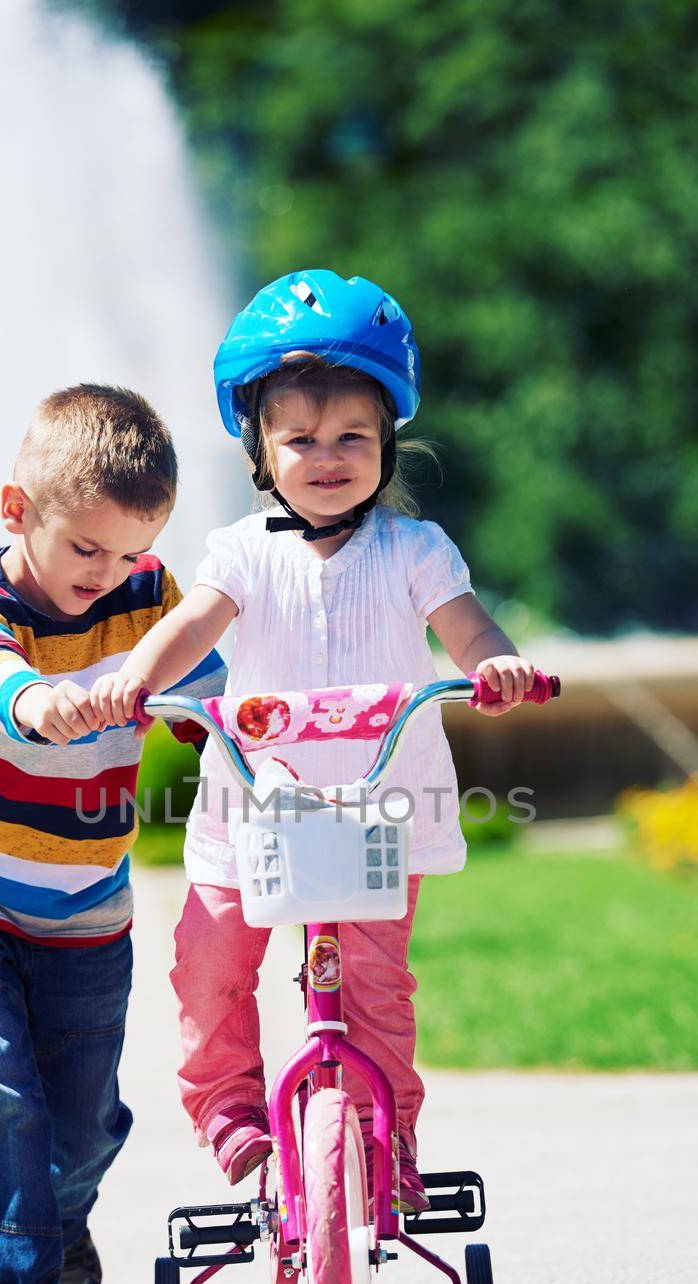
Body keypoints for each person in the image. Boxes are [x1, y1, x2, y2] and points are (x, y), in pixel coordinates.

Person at [90, 270, 534, 1213]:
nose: (326, 456)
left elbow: (469, 631)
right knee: (210, 966)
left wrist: (498, 667)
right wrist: (136, 676)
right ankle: (233, 1117)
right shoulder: (242, 553)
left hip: (380, 808)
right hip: (250, 810)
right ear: (259, 449)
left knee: (376, 987)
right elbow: (192, 628)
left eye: (352, 438)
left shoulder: (416, 553)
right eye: (300, 439)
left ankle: (387, 1138)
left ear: (388, 444)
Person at [0, 384, 224, 1284]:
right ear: (15, 510)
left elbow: (206, 686)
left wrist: (220, 715)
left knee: (81, 1121)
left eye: (129, 552)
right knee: (0, 1093)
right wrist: (40, 701)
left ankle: (55, 1219)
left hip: (85, 901)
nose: (109, 575)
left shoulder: (149, 594)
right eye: (86, 550)